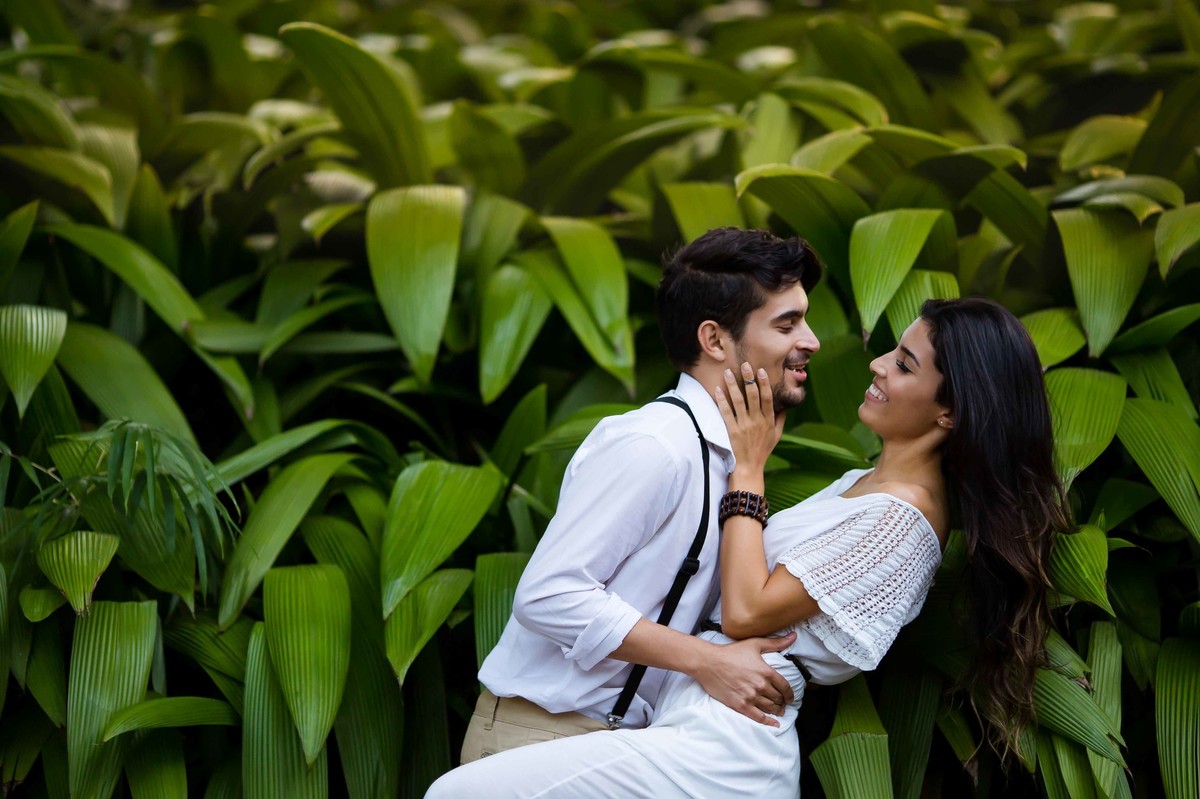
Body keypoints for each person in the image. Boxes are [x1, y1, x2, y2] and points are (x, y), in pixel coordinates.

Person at [428, 297, 1068, 797]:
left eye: (904, 365)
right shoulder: (864, 486)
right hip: (696, 722)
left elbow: (744, 612)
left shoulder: (900, 522)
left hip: (724, 748)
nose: (877, 365)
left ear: (950, 413)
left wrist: (749, 467)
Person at [460, 227, 824, 763]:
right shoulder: (655, 445)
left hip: (616, 749)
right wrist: (707, 660)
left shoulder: (732, 457)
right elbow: (548, 594)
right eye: (787, 323)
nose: (812, 340)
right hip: (537, 737)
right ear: (715, 340)